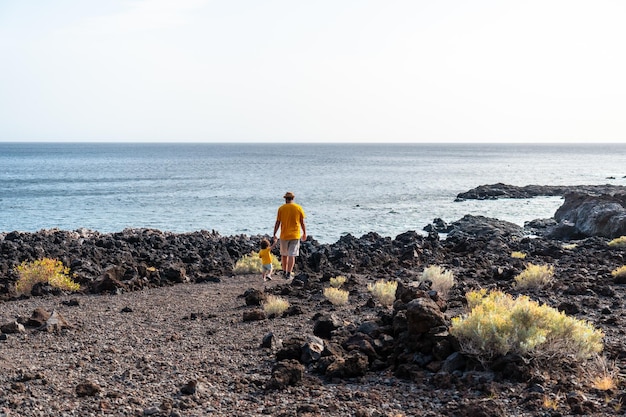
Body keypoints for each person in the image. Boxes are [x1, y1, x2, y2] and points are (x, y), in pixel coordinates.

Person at [273, 191, 307, 279]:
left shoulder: (281, 209)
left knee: (284, 254)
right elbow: (302, 222)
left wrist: (274, 233)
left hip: (284, 235)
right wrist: (304, 233)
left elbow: (278, 222)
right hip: (295, 235)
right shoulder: (298, 208)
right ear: (293, 198)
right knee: (292, 254)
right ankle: (288, 273)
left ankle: (284, 272)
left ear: (285, 199)